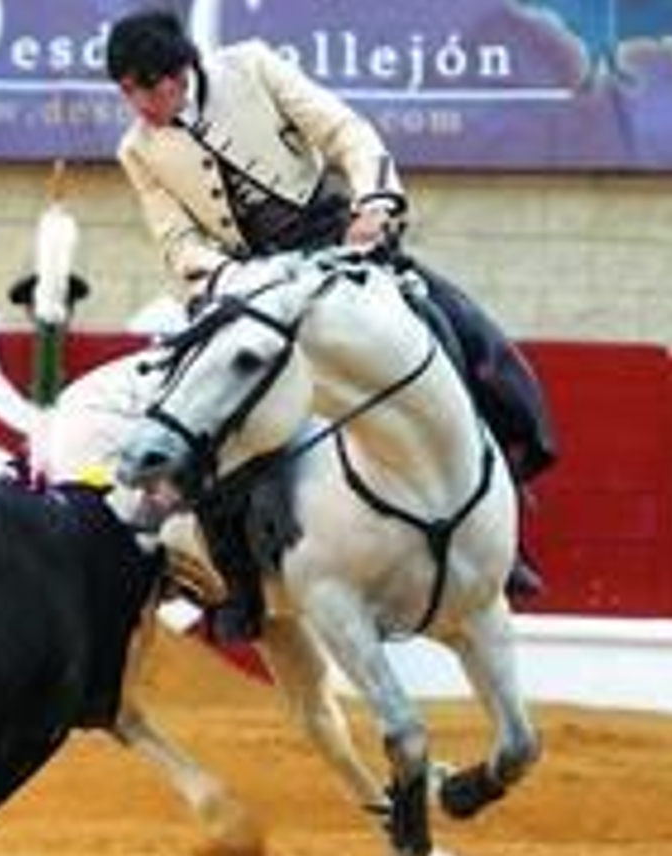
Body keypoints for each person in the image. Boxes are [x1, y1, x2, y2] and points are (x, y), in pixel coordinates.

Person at [105, 9, 557, 635]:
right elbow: (176, 241)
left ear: (181, 73)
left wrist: (373, 204)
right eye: (126, 91)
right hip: (247, 285)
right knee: (205, 420)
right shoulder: (137, 149)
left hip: (340, 245)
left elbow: (345, 131)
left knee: (464, 341)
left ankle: (505, 539)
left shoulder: (254, 67)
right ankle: (239, 586)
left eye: (146, 88)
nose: (139, 105)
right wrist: (233, 282)